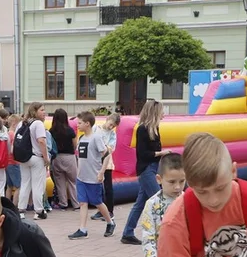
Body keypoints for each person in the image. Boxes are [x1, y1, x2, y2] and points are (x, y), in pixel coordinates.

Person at [121, 100, 170, 244]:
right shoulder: (143, 129)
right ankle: (164, 232)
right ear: (155, 112)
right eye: (162, 111)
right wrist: (161, 153)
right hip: (146, 169)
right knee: (159, 200)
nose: (164, 114)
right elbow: (142, 154)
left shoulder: (154, 129)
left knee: (140, 203)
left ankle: (128, 232)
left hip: (152, 168)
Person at [66, 111, 114, 239]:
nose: (78, 125)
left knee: (97, 202)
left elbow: (107, 155)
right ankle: (82, 229)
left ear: (87, 124)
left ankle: (110, 222)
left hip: (93, 177)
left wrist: (101, 172)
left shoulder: (96, 138)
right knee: (83, 203)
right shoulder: (81, 138)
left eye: (80, 123)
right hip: (81, 177)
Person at [17, 102, 49, 219]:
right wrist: (46, 158)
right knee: (37, 185)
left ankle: (21, 210)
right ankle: (39, 211)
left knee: (25, 183)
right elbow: (41, 141)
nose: (44, 112)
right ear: (35, 111)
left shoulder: (22, 123)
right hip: (36, 157)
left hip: (24, 157)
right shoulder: (38, 124)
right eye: (42, 110)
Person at [49, 108, 79, 210]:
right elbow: (75, 145)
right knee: (73, 181)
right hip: (69, 158)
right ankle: (76, 204)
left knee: (60, 182)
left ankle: (63, 203)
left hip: (56, 158)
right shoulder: (70, 130)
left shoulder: (51, 131)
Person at [94, 113, 121, 222]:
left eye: (113, 126)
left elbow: (111, 148)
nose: (111, 127)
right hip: (96, 162)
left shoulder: (112, 134)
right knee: (98, 187)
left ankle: (110, 210)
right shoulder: (96, 128)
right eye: (111, 124)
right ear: (107, 119)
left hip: (107, 163)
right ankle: (101, 209)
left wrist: (103, 147)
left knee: (108, 187)